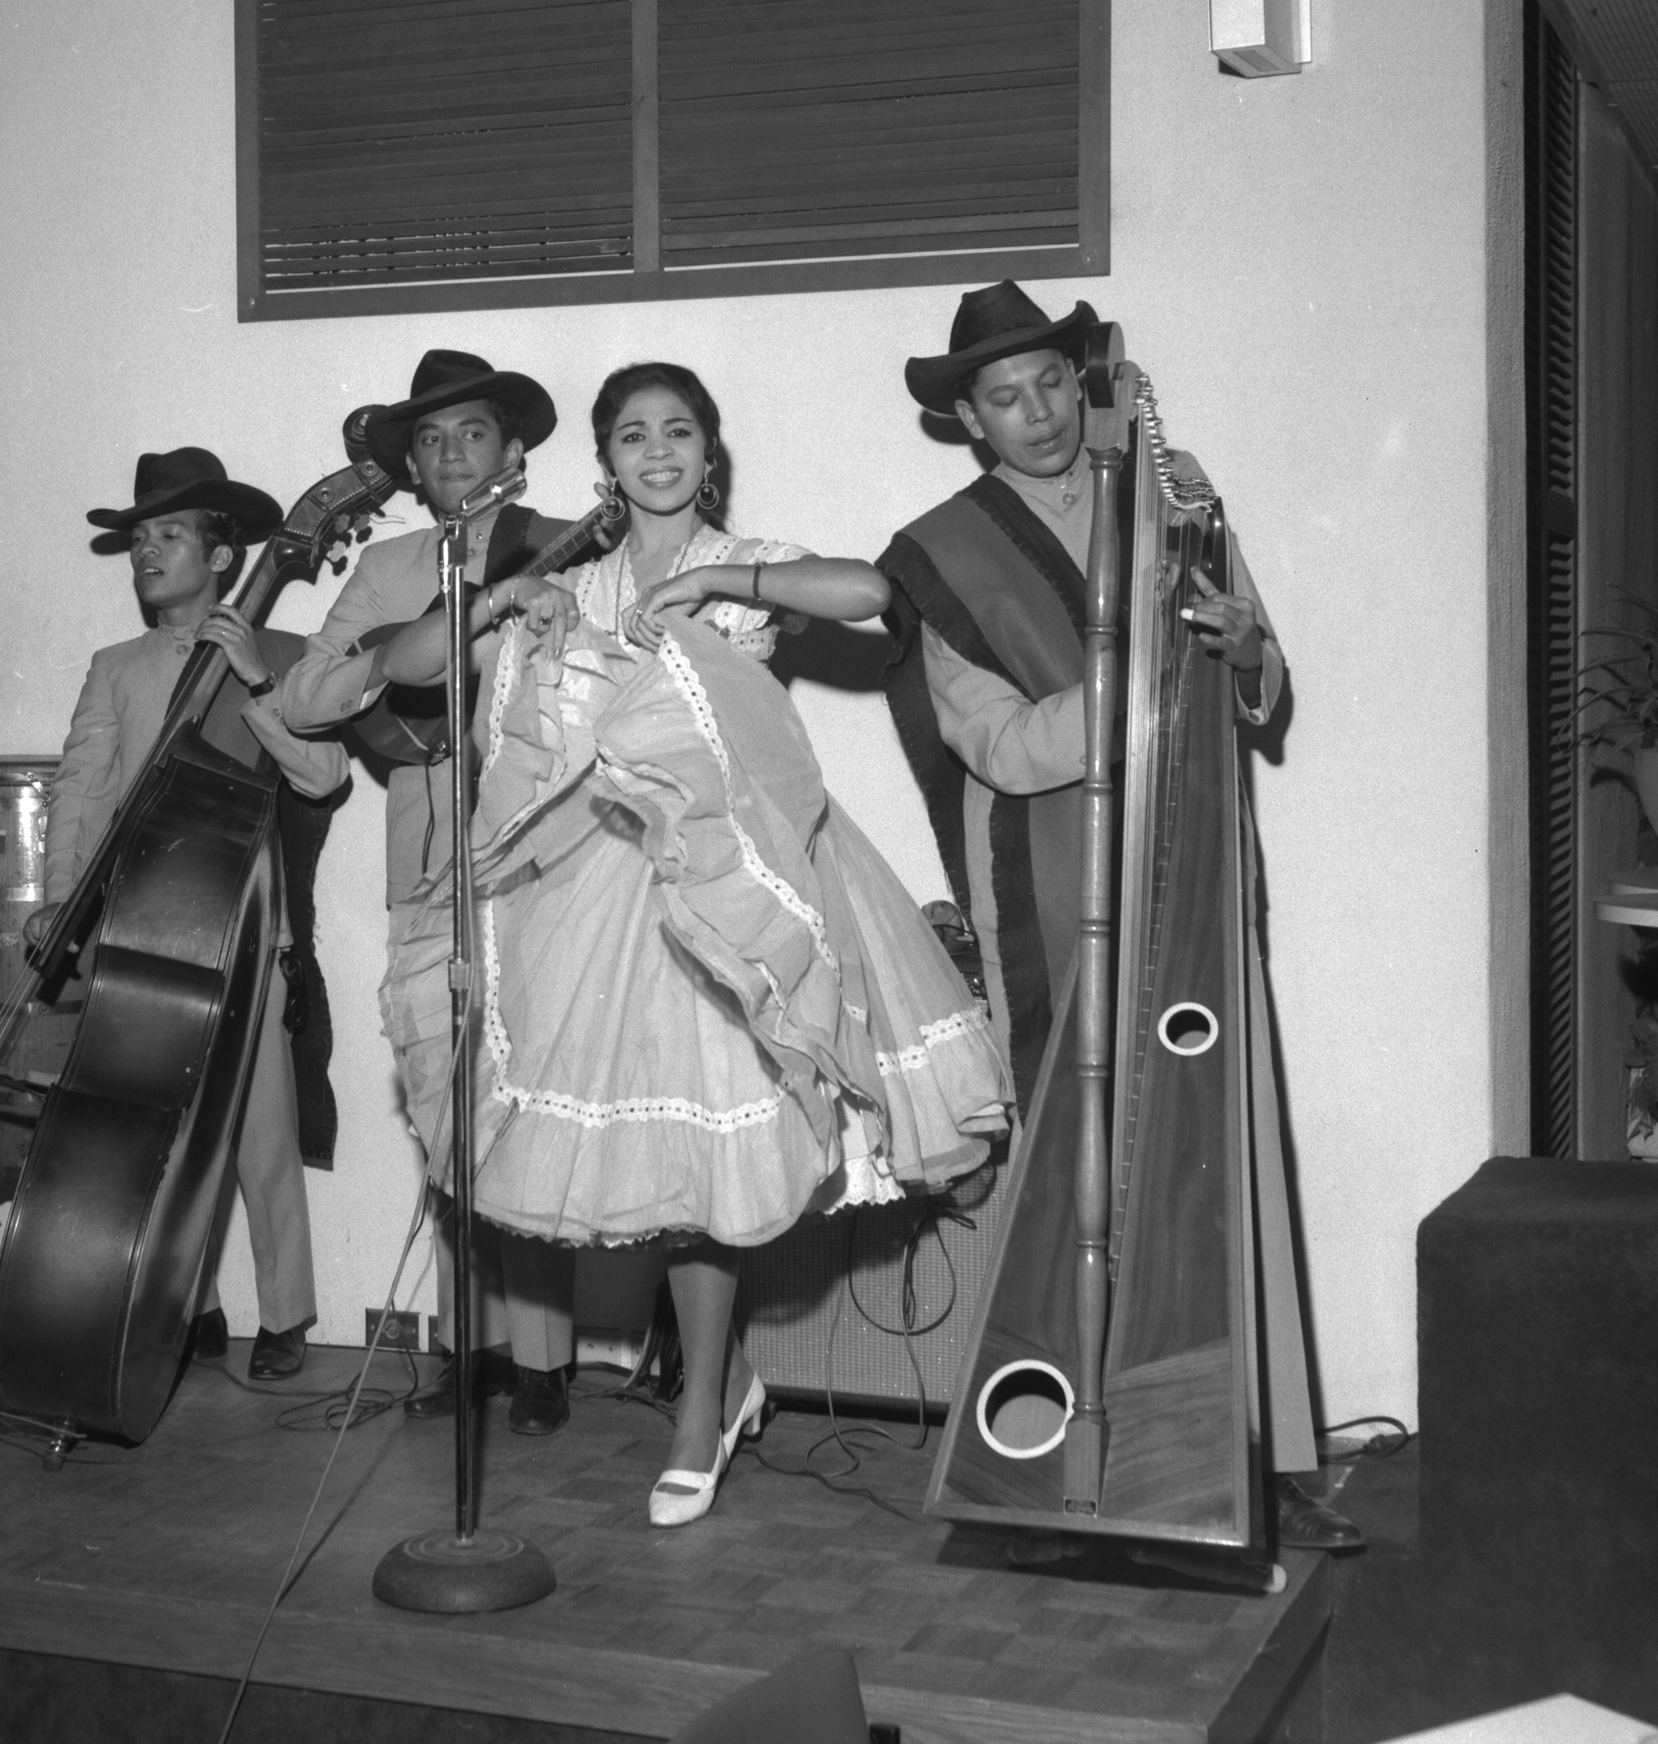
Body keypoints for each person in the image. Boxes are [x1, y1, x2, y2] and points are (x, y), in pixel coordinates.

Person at [378, 361, 1012, 1527]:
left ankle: (700, 1408)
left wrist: (719, 579)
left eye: (678, 432)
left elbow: (868, 589)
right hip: (599, 884)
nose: (657, 451)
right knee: (664, 1166)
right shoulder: (576, 578)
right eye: (632, 435)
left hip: (732, 878)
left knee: (708, 1163)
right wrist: (504, 601)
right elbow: (404, 665)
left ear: (706, 453)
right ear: (606, 462)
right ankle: (725, 1381)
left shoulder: (741, 557)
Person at [878, 280, 1360, 1553]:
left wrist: (1236, 643)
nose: (1034, 412)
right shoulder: (936, 555)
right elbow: (999, 746)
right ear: (968, 420)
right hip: (1055, 886)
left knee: (1219, 1153)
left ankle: (1249, 1460)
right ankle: (1049, 1459)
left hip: (1185, 858)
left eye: (1049, 382)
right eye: (1002, 397)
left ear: (1081, 384)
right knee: (1070, 1162)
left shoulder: (1173, 496)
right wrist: (1136, 678)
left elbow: (1261, 682)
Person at [278, 351, 584, 1437]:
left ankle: (544, 1361)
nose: (452, 454)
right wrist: (398, 657)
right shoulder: (389, 566)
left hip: (541, 862)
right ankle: (469, 1347)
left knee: (528, 1109)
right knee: (442, 1111)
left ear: (514, 449)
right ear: (410, 464)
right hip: (426, 871)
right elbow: (303, 697)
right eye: (431, 440)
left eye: (472, 433)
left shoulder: (565, 544)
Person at [22, 449, 339, 1381]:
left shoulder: (283, 655)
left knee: (263, 1135)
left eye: (168, 534)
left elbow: (324, 776)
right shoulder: (114, 666)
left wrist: (258, 682)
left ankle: (284, 1315)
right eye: (138, 539)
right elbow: (83, 788)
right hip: (142, 926)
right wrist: (60, 894)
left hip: (248, 920)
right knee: (159, 1132)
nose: (146, 552)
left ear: (223, 553)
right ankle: (186, 1305)